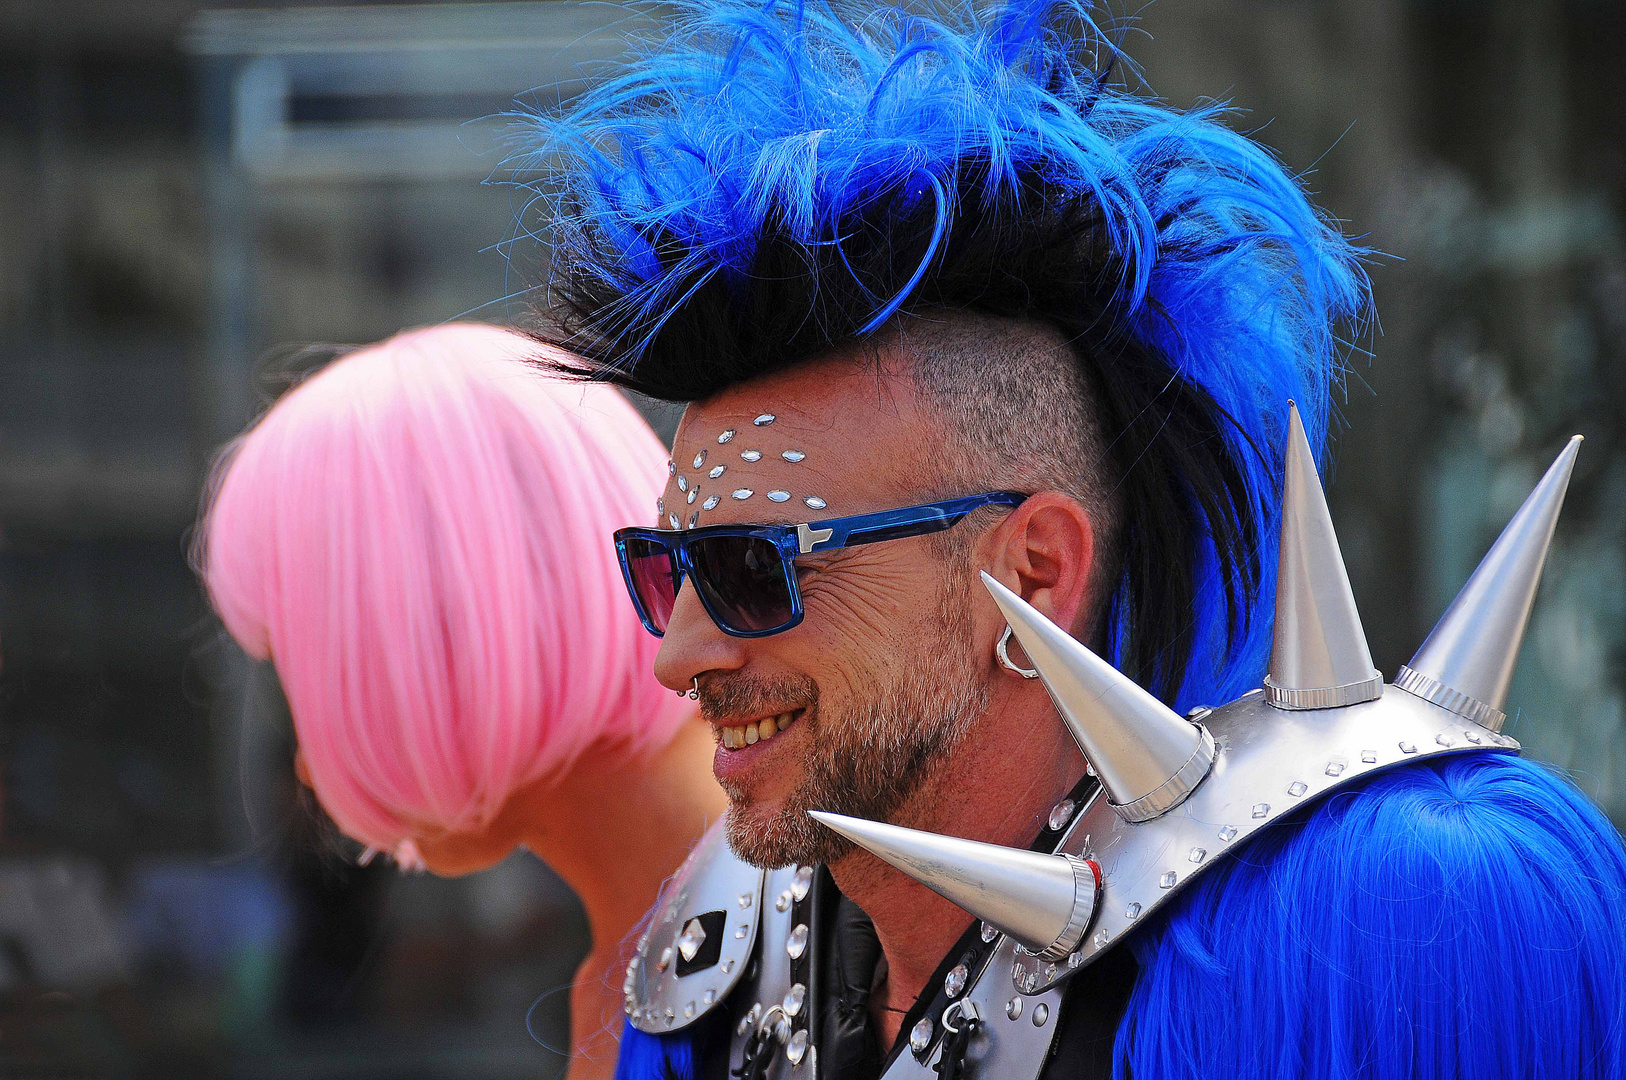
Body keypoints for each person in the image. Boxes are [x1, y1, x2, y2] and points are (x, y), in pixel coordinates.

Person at [522, 1, 1626, 1077]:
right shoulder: (718, 966)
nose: (677, 657)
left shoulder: (1374, 934)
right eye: (666, 570)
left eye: (752, 568)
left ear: (1035, 571)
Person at [196, 323, 727, 1080]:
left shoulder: (828, 947)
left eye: (310, 681)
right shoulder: (646, 971)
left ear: (426, 639)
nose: (312, 770)